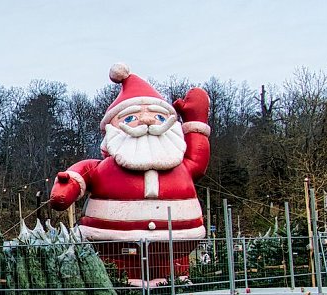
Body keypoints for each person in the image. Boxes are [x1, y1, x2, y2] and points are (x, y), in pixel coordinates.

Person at [50, 63, 210, 281]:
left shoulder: (180, 163)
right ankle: (125, 286)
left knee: (172, 274)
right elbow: (79, 175)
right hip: (114, 242)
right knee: (122, 272)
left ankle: (173, 284)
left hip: (177, 244)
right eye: (131, 117)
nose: (146, 121)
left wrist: (196, 121)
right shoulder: (102, 167)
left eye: (159, 117)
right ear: (113, 128)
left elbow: (198, 161)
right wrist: (66, 186)